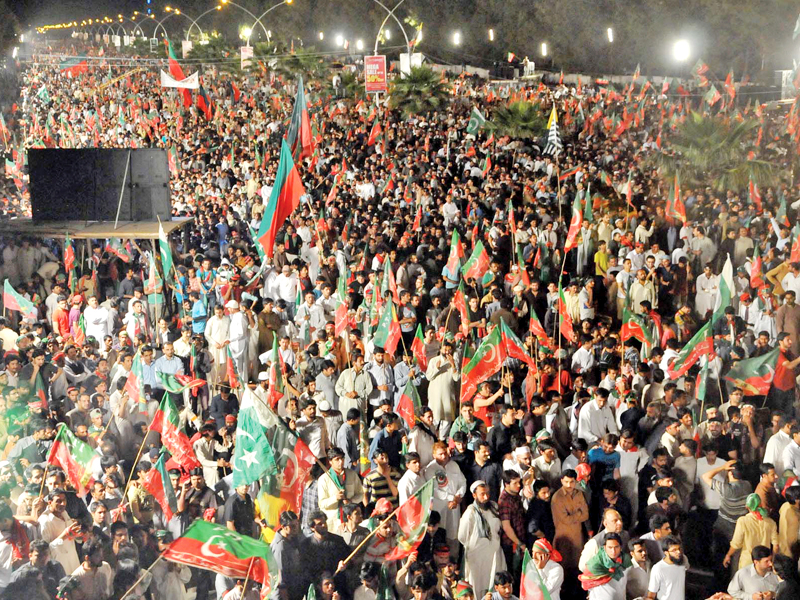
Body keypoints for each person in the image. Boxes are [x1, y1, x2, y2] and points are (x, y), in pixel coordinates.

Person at [458, 481, 505, 598]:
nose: (486, 497)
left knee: (494, 585)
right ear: (474, 495)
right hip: (477, 558)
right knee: (478, 587)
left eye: (487, 493)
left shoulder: (494, 507)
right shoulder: (470, 513)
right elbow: (462, 537)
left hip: (494, 554)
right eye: (482, 494)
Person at [551, 469, 589, 572]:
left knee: (578, 566)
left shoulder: (579, 494)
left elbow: (586, 515)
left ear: (575, 481)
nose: (569, 485)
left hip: (578, 537)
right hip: (564, 538)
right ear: (562, 481)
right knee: (563, 568)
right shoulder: (557, 497)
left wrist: (575, 515)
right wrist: (579, 514)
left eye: (571, 482)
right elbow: (565, 519)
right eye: (566, 482)